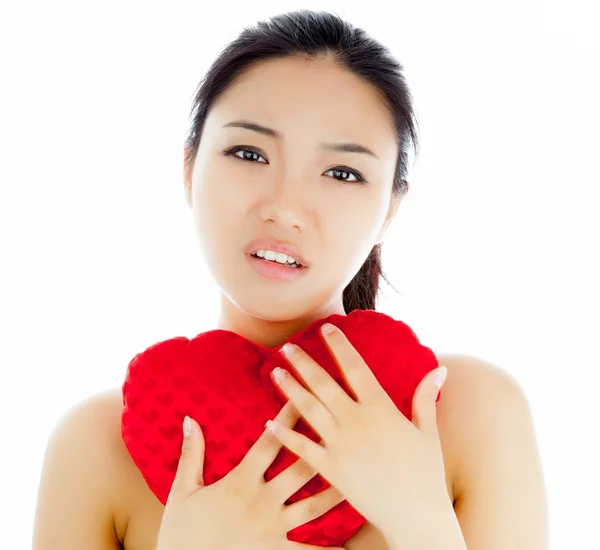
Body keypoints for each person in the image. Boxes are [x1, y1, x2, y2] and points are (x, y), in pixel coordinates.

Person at [32, 9, 549, 550]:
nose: (285, 208)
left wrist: (422, 522)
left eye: (343, 173)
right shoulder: (95, 448)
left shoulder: (472, 413)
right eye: (249, 153)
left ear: (390, 210)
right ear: (190, 171)